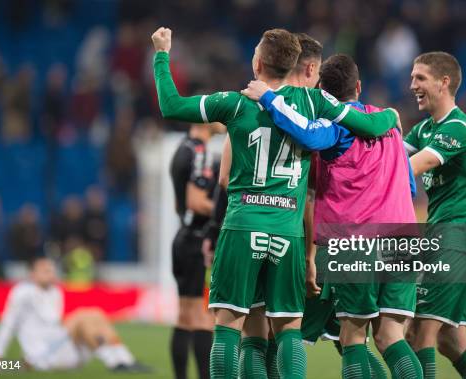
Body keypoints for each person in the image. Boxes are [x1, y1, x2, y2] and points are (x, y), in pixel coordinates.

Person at [152, 26, 399, 378]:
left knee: (232, 327)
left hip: (242, 226)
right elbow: (368, 125)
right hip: (288, 232)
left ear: (258, 63)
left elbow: (170, 105)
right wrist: (390, 116)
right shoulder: (315, 102)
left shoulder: (235, 103)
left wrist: (162, 54)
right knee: (287, 330)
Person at [242, 53, 421, 378]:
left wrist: (268, 99)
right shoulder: (391, 125)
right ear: (359, 86)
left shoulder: (335, 127)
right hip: (403, 239)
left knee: (353, 337)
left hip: (356, 241)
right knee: (390, 336)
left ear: (322, 89)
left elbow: (309, 135)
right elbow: (409, 186)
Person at [403, 51, 466, 379]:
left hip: (455, 239)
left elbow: (410, 166)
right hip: (444, 238)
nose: (412, 85)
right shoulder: (425, 128)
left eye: (420, 78)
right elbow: (389, 156)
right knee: (451, 342)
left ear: (444, 82)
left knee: (419, 334)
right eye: (412, 78)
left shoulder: (460, 128)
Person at [0, 257, 148, 372]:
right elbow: (8, 324)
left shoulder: (55, 292)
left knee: (95, 313)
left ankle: (125, 359)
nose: (51, 274)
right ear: (32, 274)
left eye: (51, 270)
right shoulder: (22, 293)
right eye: (45, 271)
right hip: (42, 355)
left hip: (62, 350)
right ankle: (113, 362)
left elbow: (55, 323)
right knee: (81, 316)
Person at [169, 121, 225, 379]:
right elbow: (195, 201)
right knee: (204, 318)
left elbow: (179, 202)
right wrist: (226, 211)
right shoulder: (200, 151)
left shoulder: (183, 149)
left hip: (183, 238)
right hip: (198, 243)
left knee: (185, 317)